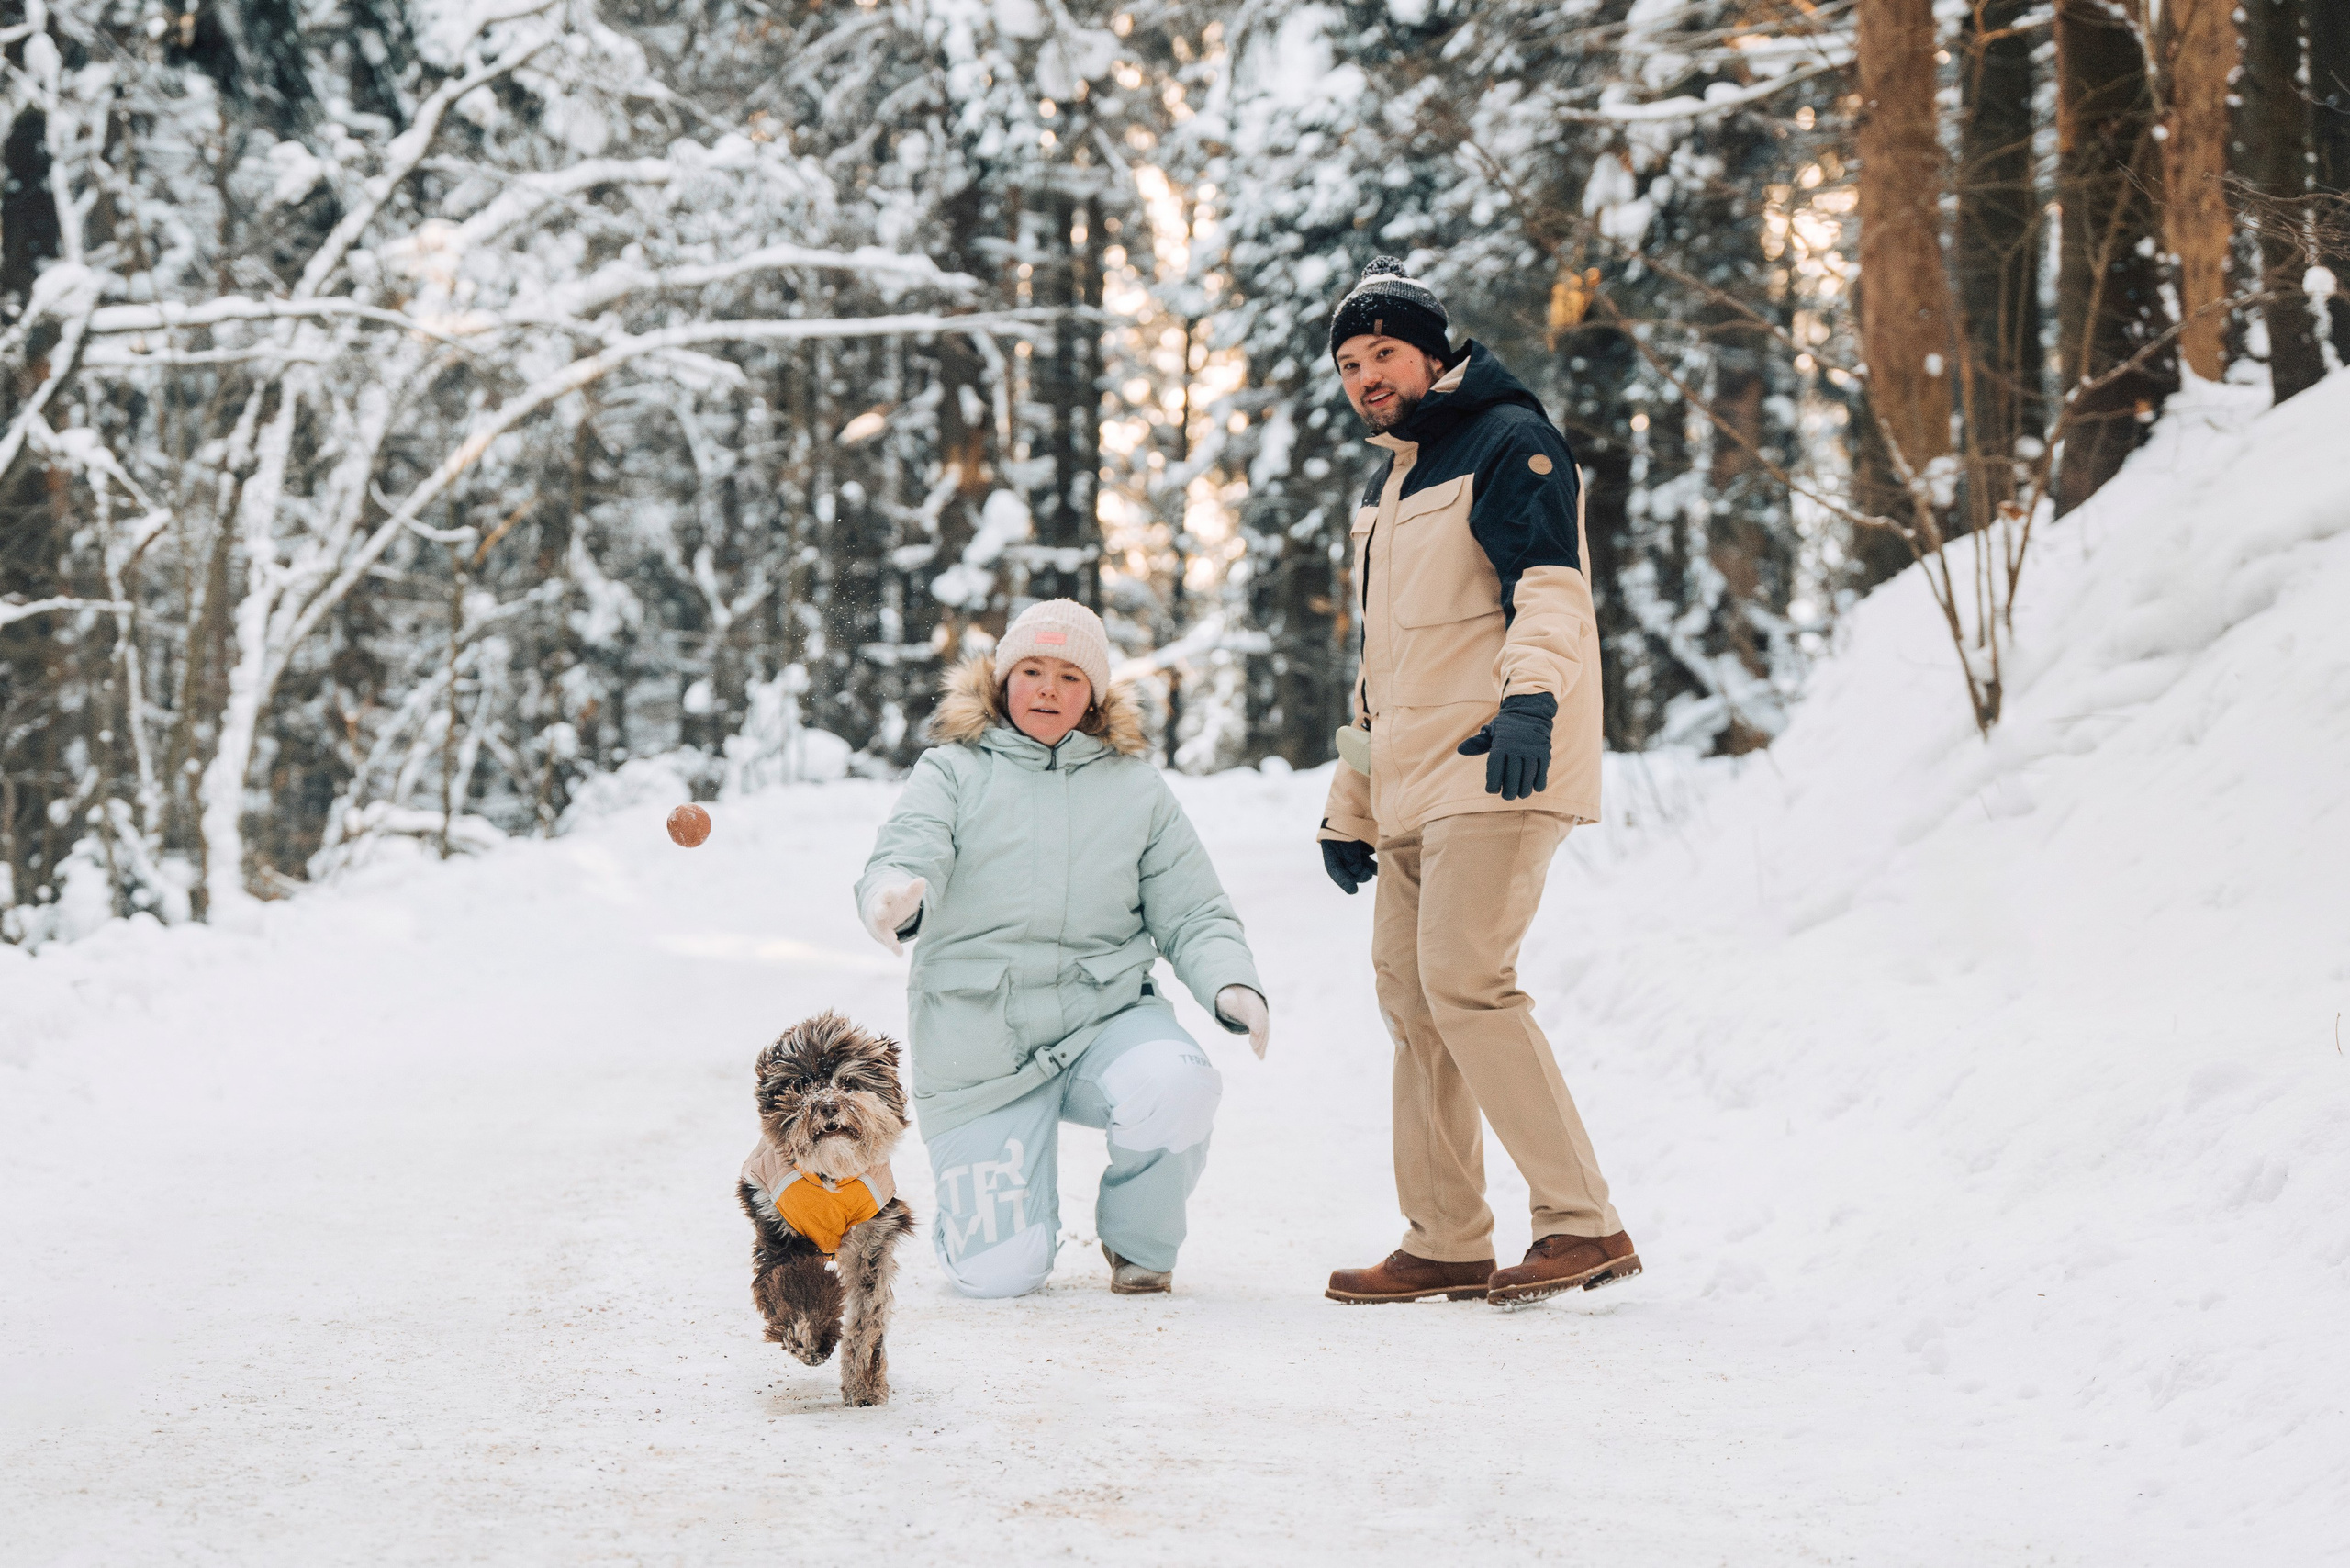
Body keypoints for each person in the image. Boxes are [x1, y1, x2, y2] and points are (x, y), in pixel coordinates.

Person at [1314, 257, 1640, 1309]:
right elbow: (1383, 667)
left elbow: (1549, 592)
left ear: (1433, 349)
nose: (1367, 376)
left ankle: (1581, 1221)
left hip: (1499, 762)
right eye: (1351, 363)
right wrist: (1350, 798)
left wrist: (1532, 703)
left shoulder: (1511, 441)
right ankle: (1447, 1235)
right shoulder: (1392, 481)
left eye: (1384, 354)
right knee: (1412, 1004)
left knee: (1465, 980)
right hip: (1411, 780)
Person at [855, 599, 1270, 1298]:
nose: (1049, 689)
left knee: (1180, 1080)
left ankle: (1138, 1245)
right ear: (1002, 680)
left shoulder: (1136, 788)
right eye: (1033, 671)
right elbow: (908, 846)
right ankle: (997, 1220)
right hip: (979, 1044)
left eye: (1071, 677)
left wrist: (1232, 983)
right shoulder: (952, 771)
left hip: (1100, 1021)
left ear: (1096, 694)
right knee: (998, 1276)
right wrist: (894, 894)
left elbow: (1193, 908)